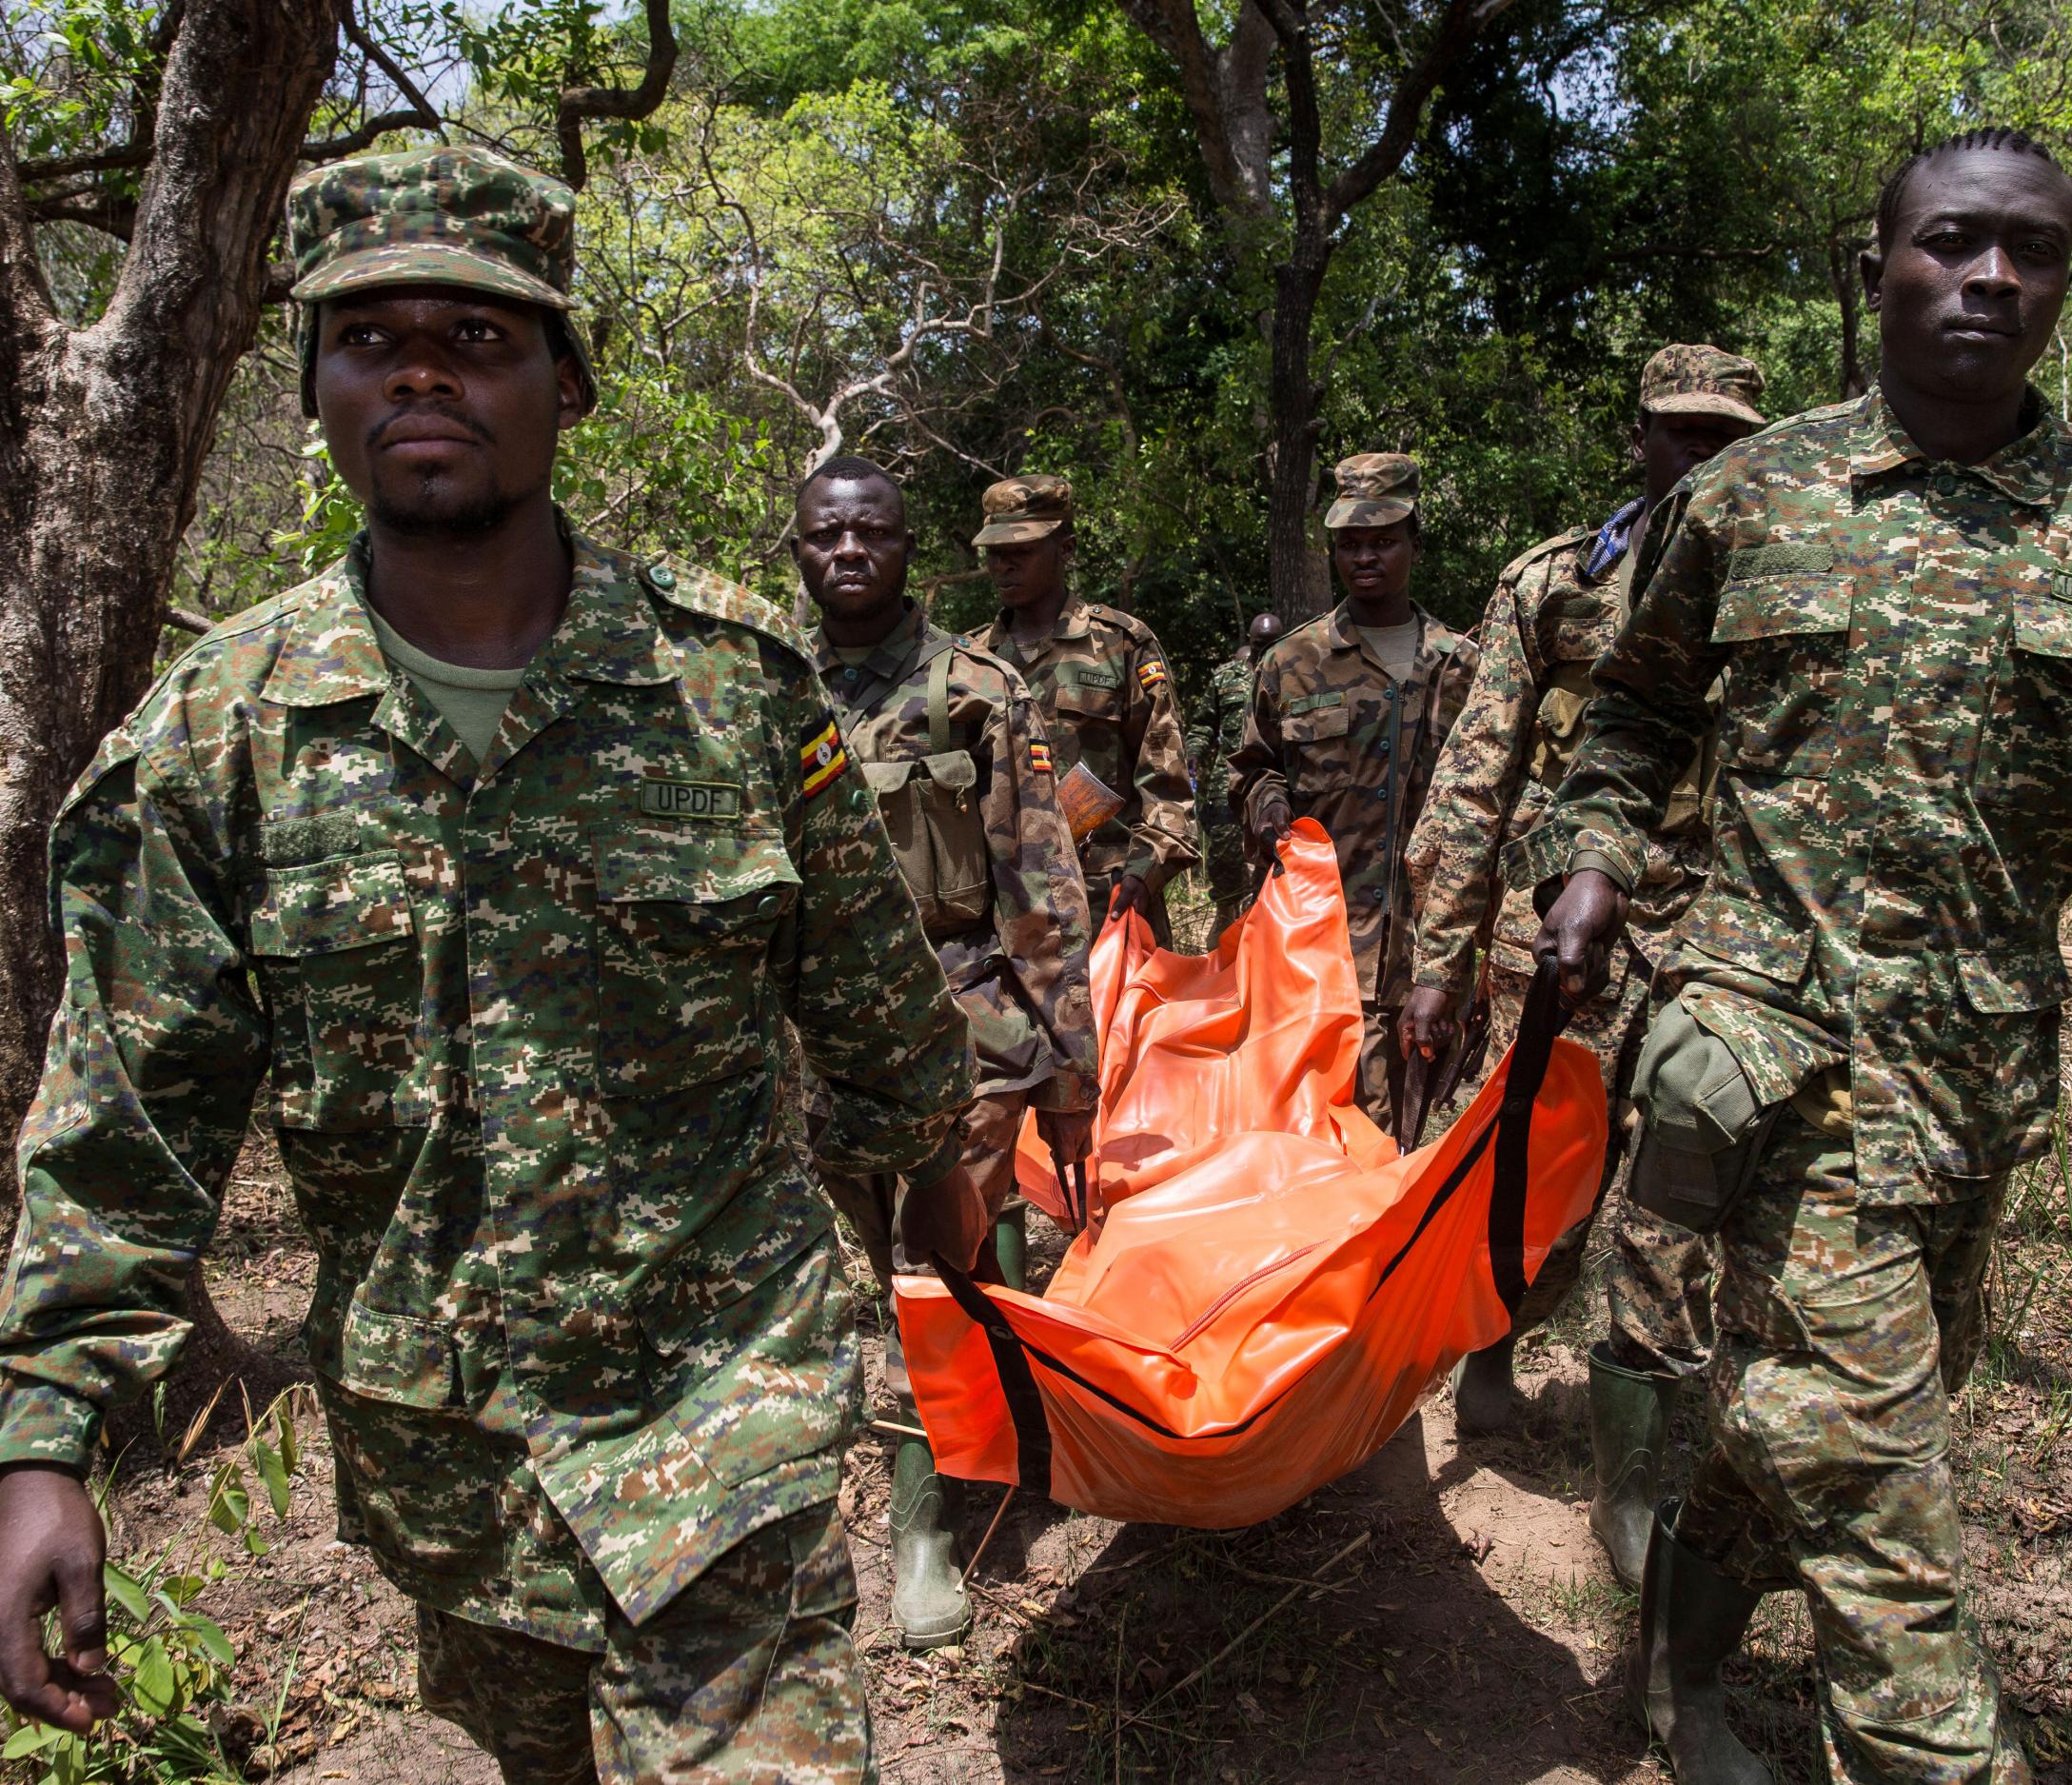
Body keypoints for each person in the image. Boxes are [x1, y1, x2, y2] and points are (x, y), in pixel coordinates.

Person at [0, 147, 983, 1785]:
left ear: (568, 384)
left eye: (479, 333)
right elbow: (127, 1125)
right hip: (449, 1478)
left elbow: (874, 999)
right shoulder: (212, 746)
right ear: (315, 385)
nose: (422, 371)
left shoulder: (732, 685)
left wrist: (949, 1221)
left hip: (727, 1428)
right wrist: (40, 1440)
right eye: (370, 337)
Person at [1525, 129, 2072, 1785]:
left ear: (2062, 281)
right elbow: (1630, 719)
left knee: (1789, 1459)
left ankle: (1673, 1682)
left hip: (1975, 1087)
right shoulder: (1748, 496)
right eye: (1953, 243)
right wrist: (1593, 864)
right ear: (1878, 272)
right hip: (1770, 1067)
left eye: (2032, 253)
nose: (1992, 277)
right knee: (1872, 1485)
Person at [1401, 347, 1768, 1581]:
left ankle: (1637, 1480)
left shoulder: (1793, 580)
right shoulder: (1558, 582)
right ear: (1642, 440)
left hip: (1724, 942)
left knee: (1684, 1214)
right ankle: (1492, 1351)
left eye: (1729, 433)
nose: (1706, 455)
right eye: (1683, 431)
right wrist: (1440, 961)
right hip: (1563, 939)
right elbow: (1473, 778)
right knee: (1542, 1186)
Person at [792, 454, 1099, 1649]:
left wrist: (1067, 1076)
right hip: (810, 1048)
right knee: (875, 1278)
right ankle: (1006, 1415)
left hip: (959, 1029)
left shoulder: (974, 691)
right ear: (801, 552)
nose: (849, 552)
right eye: (827, 535)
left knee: (923, 1281)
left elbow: (1043, 888)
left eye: (872, 531)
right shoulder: (761, 695)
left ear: (908, 546)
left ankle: (924, 1531)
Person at [1231, 453, 1479, 1135]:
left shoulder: (1463, 668)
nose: (1365, 555)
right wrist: (1268, 806)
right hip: (1316, 962)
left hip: (1425, 963)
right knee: (1314, 1151)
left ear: (1415, 543)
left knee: (1403, 1158)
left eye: (1384, 539)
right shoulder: (1292, 662)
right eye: (1350, 542)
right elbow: (1252, 768)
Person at [968, 477, 1198, 946]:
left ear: (1066, 549)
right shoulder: (969, 662)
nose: (1004, 564)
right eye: (994, 552)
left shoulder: (1120, 645)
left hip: (1109, 907)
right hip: (1003, 916)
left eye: (1023, 549)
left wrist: (1140, 877)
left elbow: (1167, 784)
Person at [1185, 611, 1284, 944]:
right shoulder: (1226, 677)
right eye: (1259, 645)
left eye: (1271, 645)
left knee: (1272, 846)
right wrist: (1194, 752)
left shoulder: (1293, 672)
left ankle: (1260, 920)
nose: (1264, 652)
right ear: (1250, 642)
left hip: (1274, 777)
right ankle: (1226, 910)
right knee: (1224, 849)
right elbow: (1202, 724)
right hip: (1228, 779)